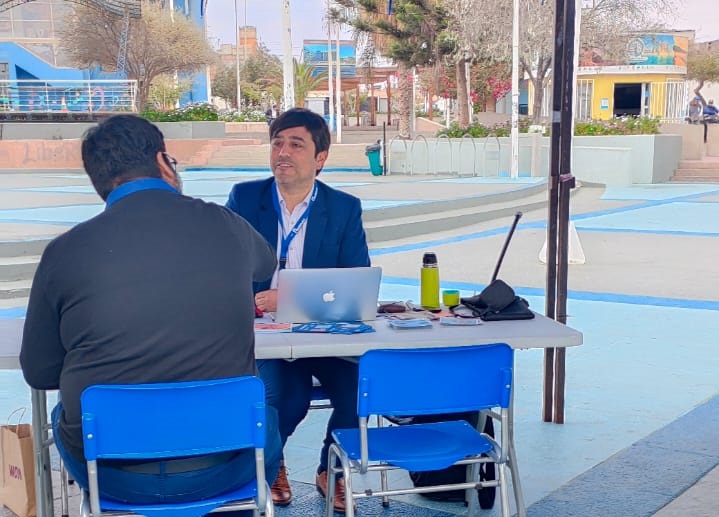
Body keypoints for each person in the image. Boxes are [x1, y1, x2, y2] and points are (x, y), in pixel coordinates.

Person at [20, 114, 281, 507]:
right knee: (267, 420)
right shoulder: (225, 224)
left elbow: (39, 372)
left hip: (109, 471)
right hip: (226, 460)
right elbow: (265, 265)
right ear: (163, 163)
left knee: (65, 417)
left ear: (99, 181)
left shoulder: (64, 251)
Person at [226, 107, 370, 513]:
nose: (283, 153)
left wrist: (288, 298)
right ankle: (273, 463)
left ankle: (330, 468)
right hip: (265, 333)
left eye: (295, 144)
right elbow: (226, 266)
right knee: (288, 398)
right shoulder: (245, 198)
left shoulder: (344, 208)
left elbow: (354, 284)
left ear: (320, 158)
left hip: (322, 331)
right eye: (277, 143)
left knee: (359, 386)